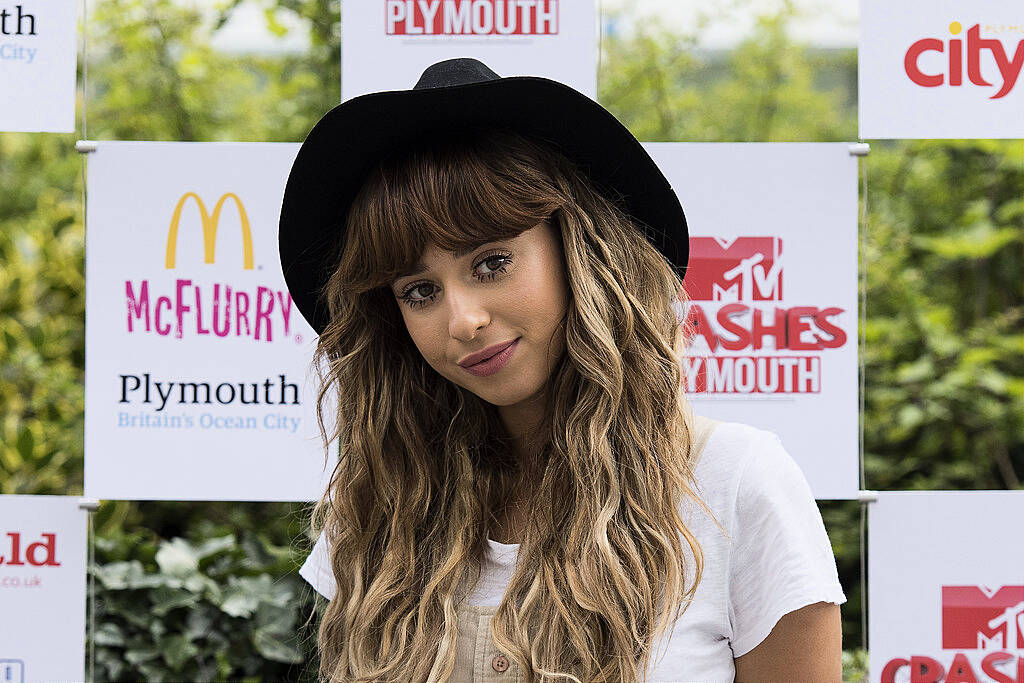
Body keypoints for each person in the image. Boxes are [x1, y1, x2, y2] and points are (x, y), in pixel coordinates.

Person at [278, 57, 846, 683]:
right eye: (419, 291)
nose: (463, 319)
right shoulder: (378, 504)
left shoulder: (733, 485)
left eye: (491, 263)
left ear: (579, 253)